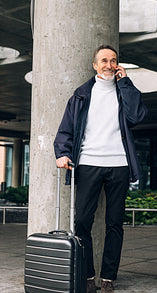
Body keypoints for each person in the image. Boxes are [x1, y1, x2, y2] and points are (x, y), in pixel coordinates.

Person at [54, 44, 147, 293]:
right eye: (104, 60)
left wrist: (126, 82)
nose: (109, 64)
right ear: (95, 65)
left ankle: (108, 278)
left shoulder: (123, 90)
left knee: (114, 223)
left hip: (119, 165)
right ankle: (87, 275)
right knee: (82, 221)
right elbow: (66, 128)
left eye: (113, 60)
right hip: (88, 164)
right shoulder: (81, 94)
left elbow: (137, 115)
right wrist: (62, 153)